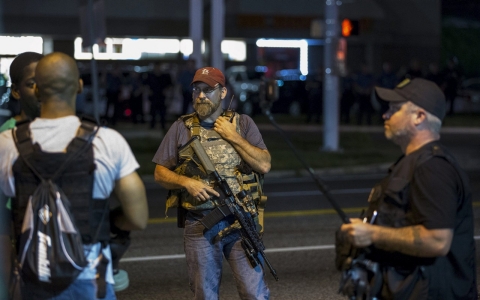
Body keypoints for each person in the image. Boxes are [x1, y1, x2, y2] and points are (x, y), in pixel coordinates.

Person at [0, 52, 149, 299]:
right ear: (79, 86)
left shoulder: (7, 143)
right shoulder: (107, 141)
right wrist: (109, 222)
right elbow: (138, 217)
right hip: (91, 281)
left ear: (37, 90)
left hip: (32, 280)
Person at [339, 78, 477, 299]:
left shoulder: (433, 168)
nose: (385, 115)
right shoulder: (412, 163)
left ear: (419, 116)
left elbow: (437, 240)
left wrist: (372, 234)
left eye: (394, 109)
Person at [152, 67, 271, 299]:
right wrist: (187, 182)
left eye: (208, 90)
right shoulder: (181, 128)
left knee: (253, 292)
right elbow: (159, 172)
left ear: (223, 92)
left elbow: (264, 164)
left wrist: (232, 136)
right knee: (204, 294)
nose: (201, 95)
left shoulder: (242, 124)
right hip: (200, 224)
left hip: (241, 223)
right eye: (197, 89)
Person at [0, 52, 43, 133]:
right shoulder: (7, 133)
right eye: (31, 84)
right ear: (16, 91)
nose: (41, 90)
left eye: (47, 82)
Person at [146, 62, 173, 131]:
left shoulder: (165, 76)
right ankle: (152, 125)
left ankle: (163, 125)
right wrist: (149, 91)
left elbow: (170, 85)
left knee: (162, 112)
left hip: (162, 96)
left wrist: (166, 91)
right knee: (153, 112)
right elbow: (145, 84)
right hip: (153, 96)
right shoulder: (150, 76)